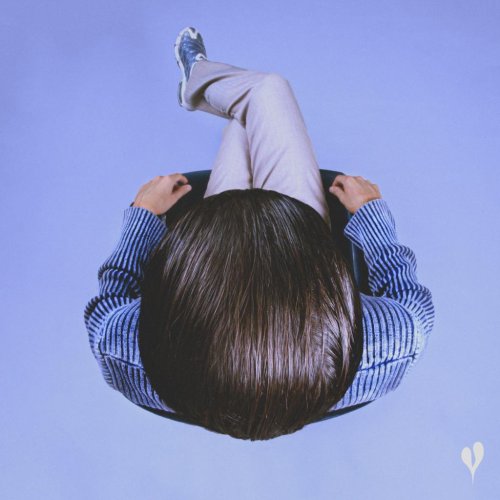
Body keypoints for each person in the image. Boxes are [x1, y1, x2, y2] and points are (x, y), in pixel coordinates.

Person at [83, 27, 435, 441]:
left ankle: (208, 86)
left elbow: (115, 293)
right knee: (264, 96)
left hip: (233, 253)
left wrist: (143, 218)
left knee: (253, 109)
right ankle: (207, 84)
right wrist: (371, 217)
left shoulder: (124, 347)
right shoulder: (386, 342)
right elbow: (410, 303)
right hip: (297, 249)